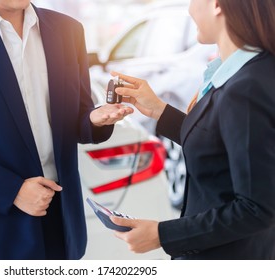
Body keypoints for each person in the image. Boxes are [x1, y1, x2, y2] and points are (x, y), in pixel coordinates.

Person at [0, 0, 133, 260]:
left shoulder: (69, 30)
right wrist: (11, 191)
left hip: (62, 219)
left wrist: (95, 119)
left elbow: (78, 118)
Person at [109, 0, 275, 259]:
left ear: (218, 5)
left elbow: (257, 208)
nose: (189, 9)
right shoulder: (243, 73)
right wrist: (159, 111)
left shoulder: (245, 87)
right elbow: (223, 147)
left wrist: (162, 235)